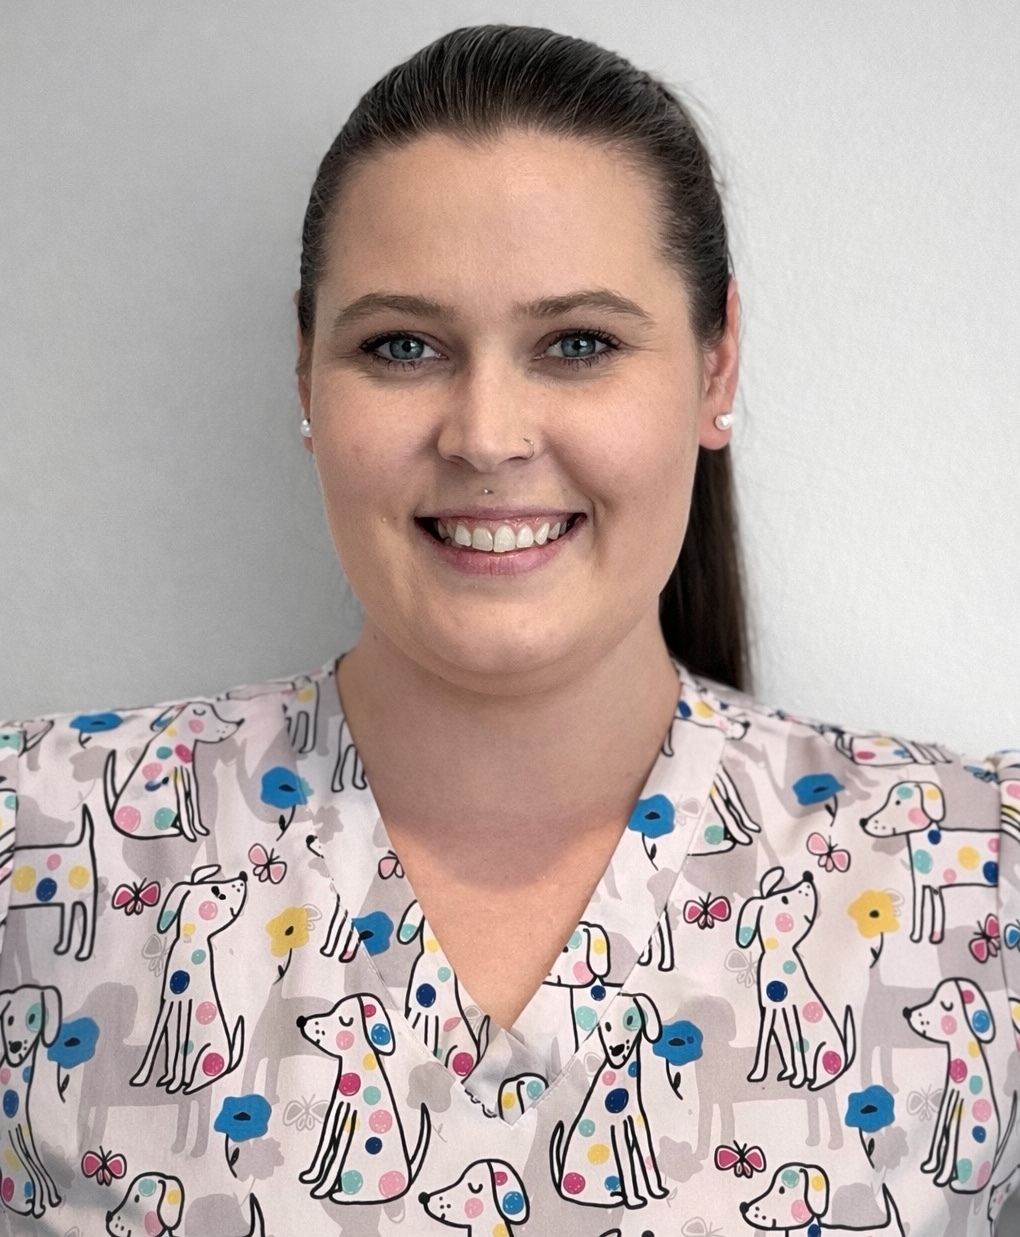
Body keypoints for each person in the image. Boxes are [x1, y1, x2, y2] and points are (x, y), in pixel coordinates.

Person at [0, 22, 1017, 1237]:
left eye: (577, 343)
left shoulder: (979, 885)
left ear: (714, 364)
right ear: (305, 377)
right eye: (401, 345)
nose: (487, 434)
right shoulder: (39, 849)